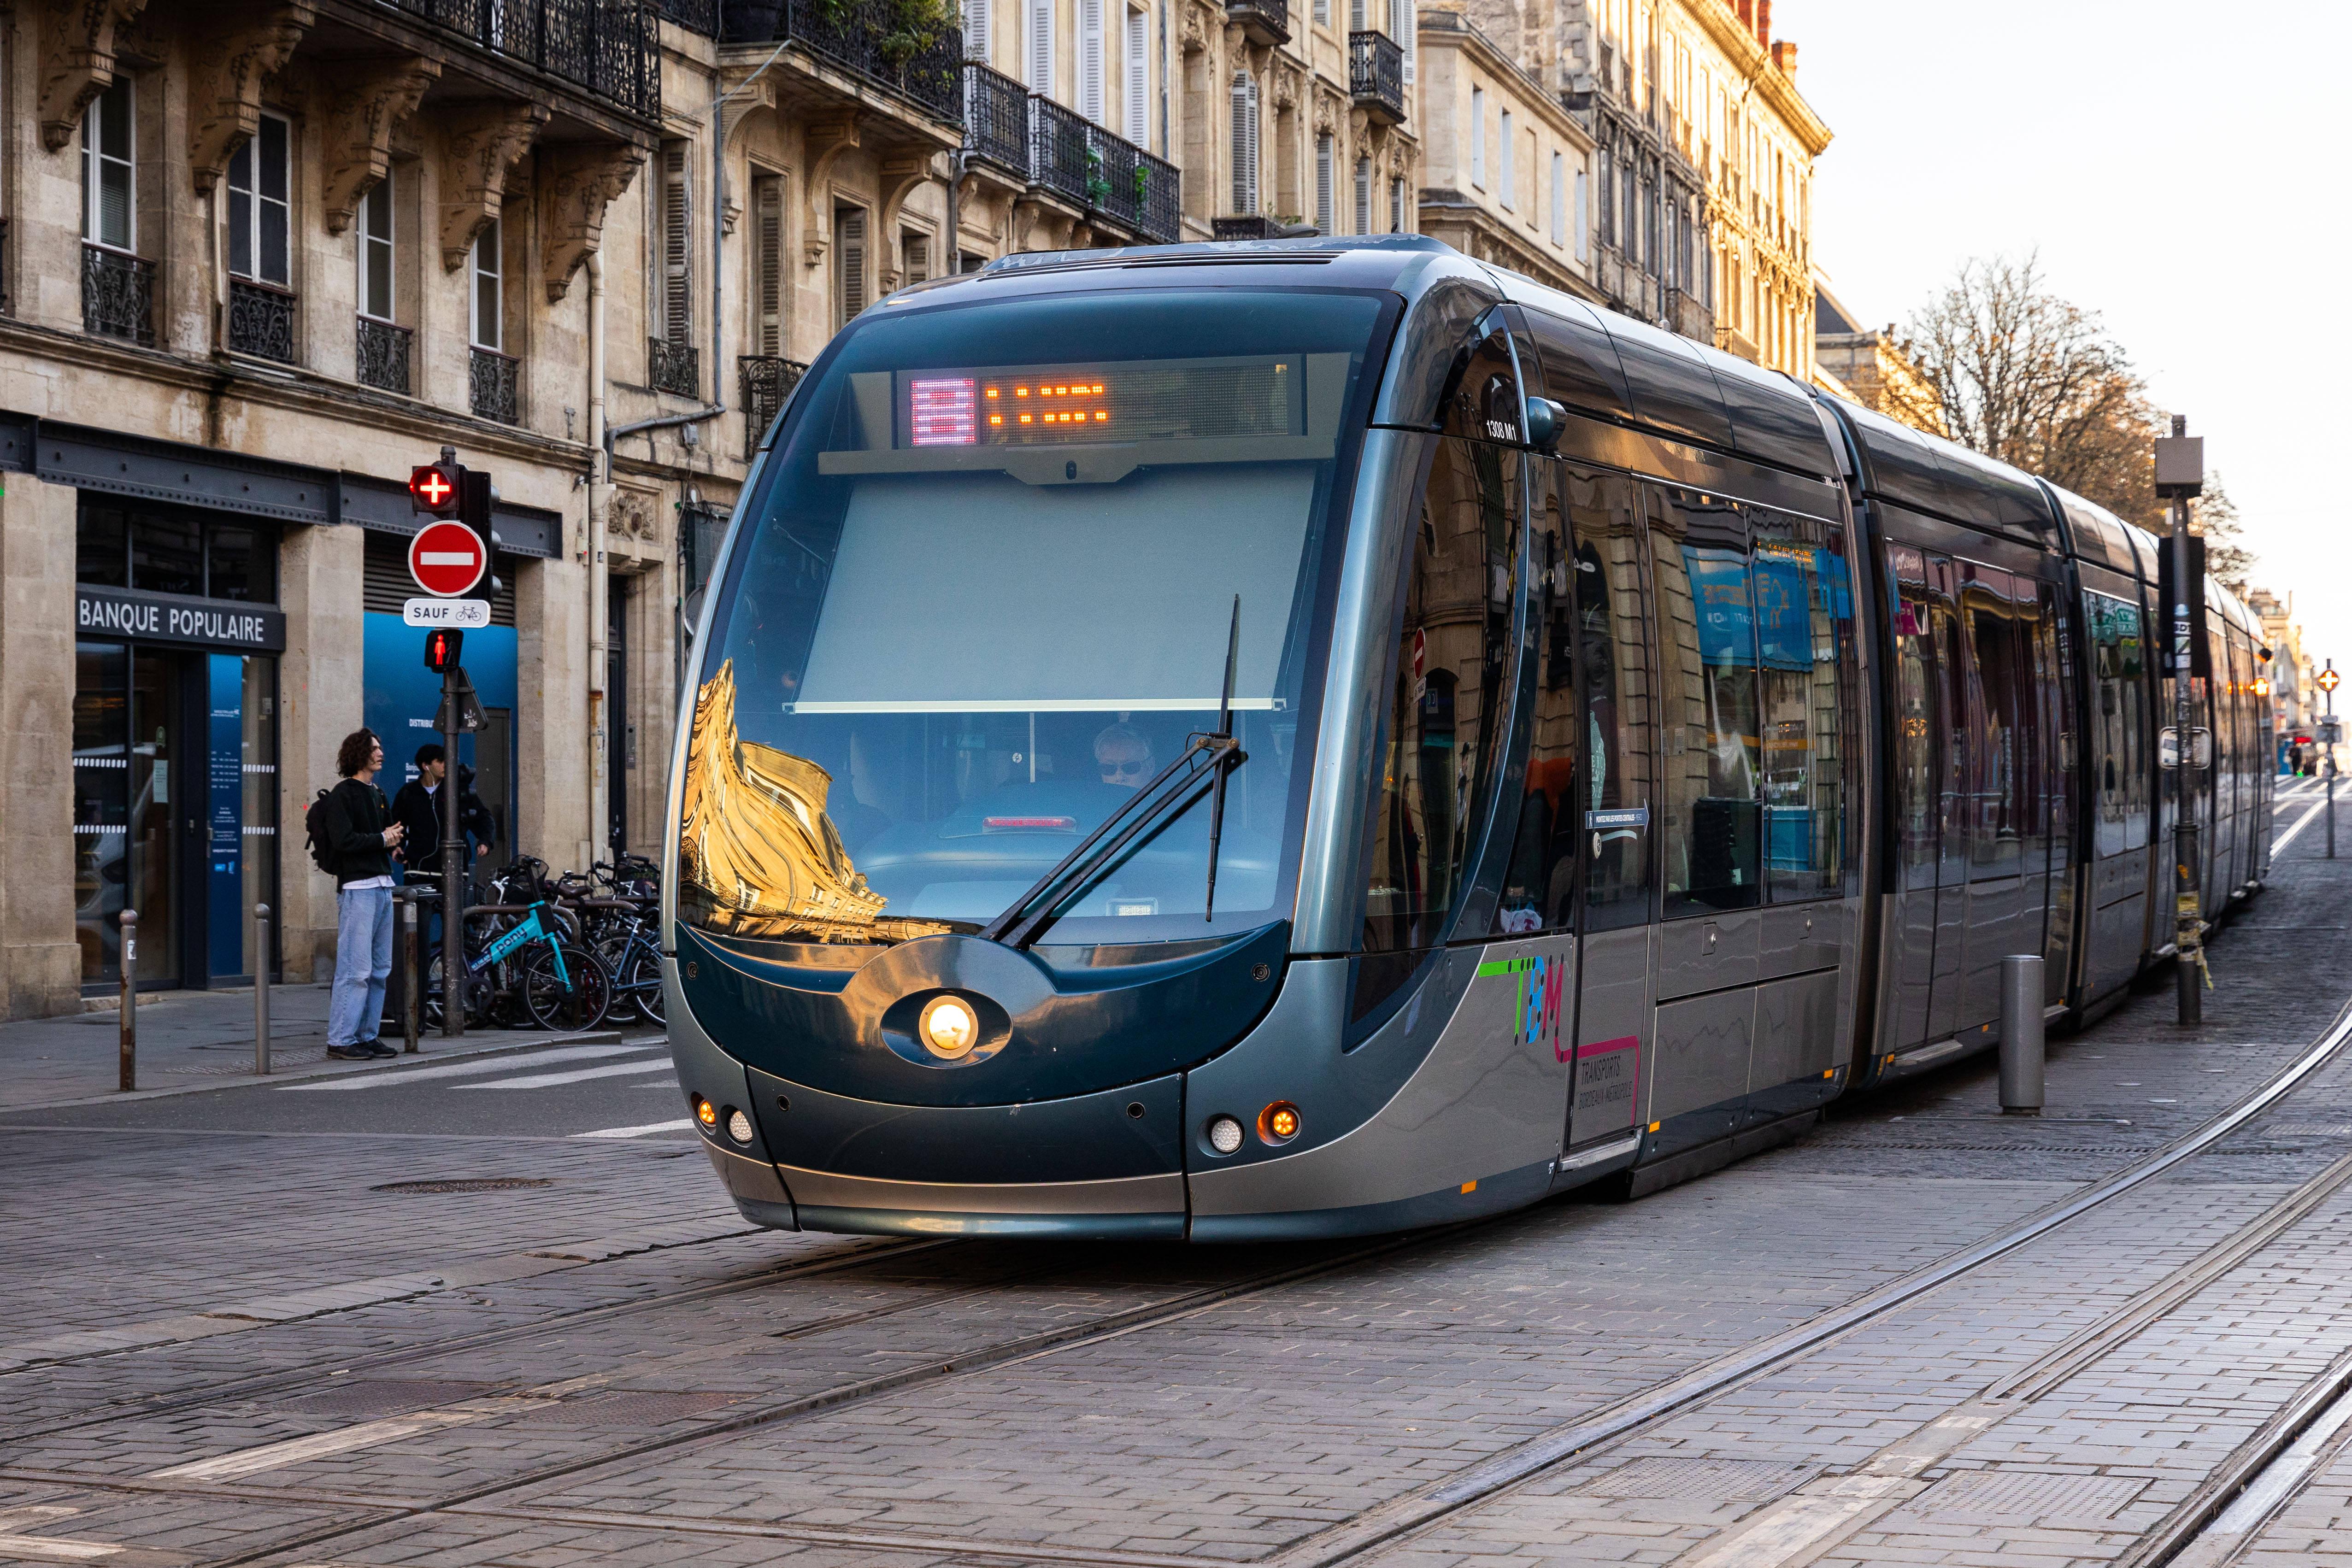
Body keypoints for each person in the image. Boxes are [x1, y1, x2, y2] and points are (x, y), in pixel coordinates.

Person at [322, 729, 404, 1060]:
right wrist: (382, 839)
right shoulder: (344, 795)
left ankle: (367, 1034)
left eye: (381, 747)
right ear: (359, 754)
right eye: (374, 749)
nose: (381, 753)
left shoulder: (378, 792)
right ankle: (341, 1038)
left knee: (380, 969)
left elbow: (384, 835)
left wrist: (396, 843)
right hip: (358, 887)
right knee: (355, 969)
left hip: (383, 885)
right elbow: (344, 841)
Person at [1093, 722, 1155, 791]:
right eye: (1109, 768)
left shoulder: (1168, 794)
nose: (1119, 778)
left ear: (1150, 766)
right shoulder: (1085, 800)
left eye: (1130, 767)